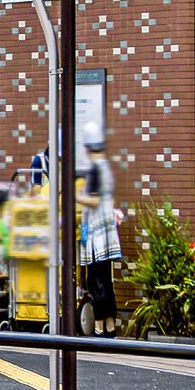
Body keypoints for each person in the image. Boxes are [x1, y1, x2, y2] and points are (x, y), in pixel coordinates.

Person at [78, 122, 120, 336]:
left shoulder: (95, 170)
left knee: (97, 282)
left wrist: (78, 197)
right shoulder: (105, 168)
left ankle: (100, 325)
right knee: (106, 280)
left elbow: (93, 202)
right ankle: (111, 324)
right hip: (105, 234)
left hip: (96, 236)